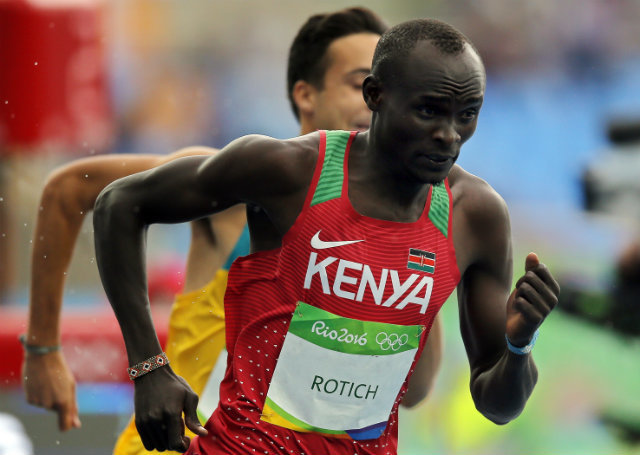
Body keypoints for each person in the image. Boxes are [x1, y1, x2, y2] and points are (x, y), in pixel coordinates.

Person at [93, 17, 560, 455]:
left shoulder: (475, 215)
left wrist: (519, 347)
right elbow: (118, 205)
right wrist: (148, 367)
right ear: (375, 96)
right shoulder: (287, 171)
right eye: (429, 111)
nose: (449, 135)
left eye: (467, 114)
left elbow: (498, 406)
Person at [21, 7, 443, 455]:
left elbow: (413, 394)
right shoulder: (239, 183)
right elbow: (70, 190)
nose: (373, 102)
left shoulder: (403, 227)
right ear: (306, 95)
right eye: (359, 84)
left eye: (384, 89)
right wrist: (43, 349)